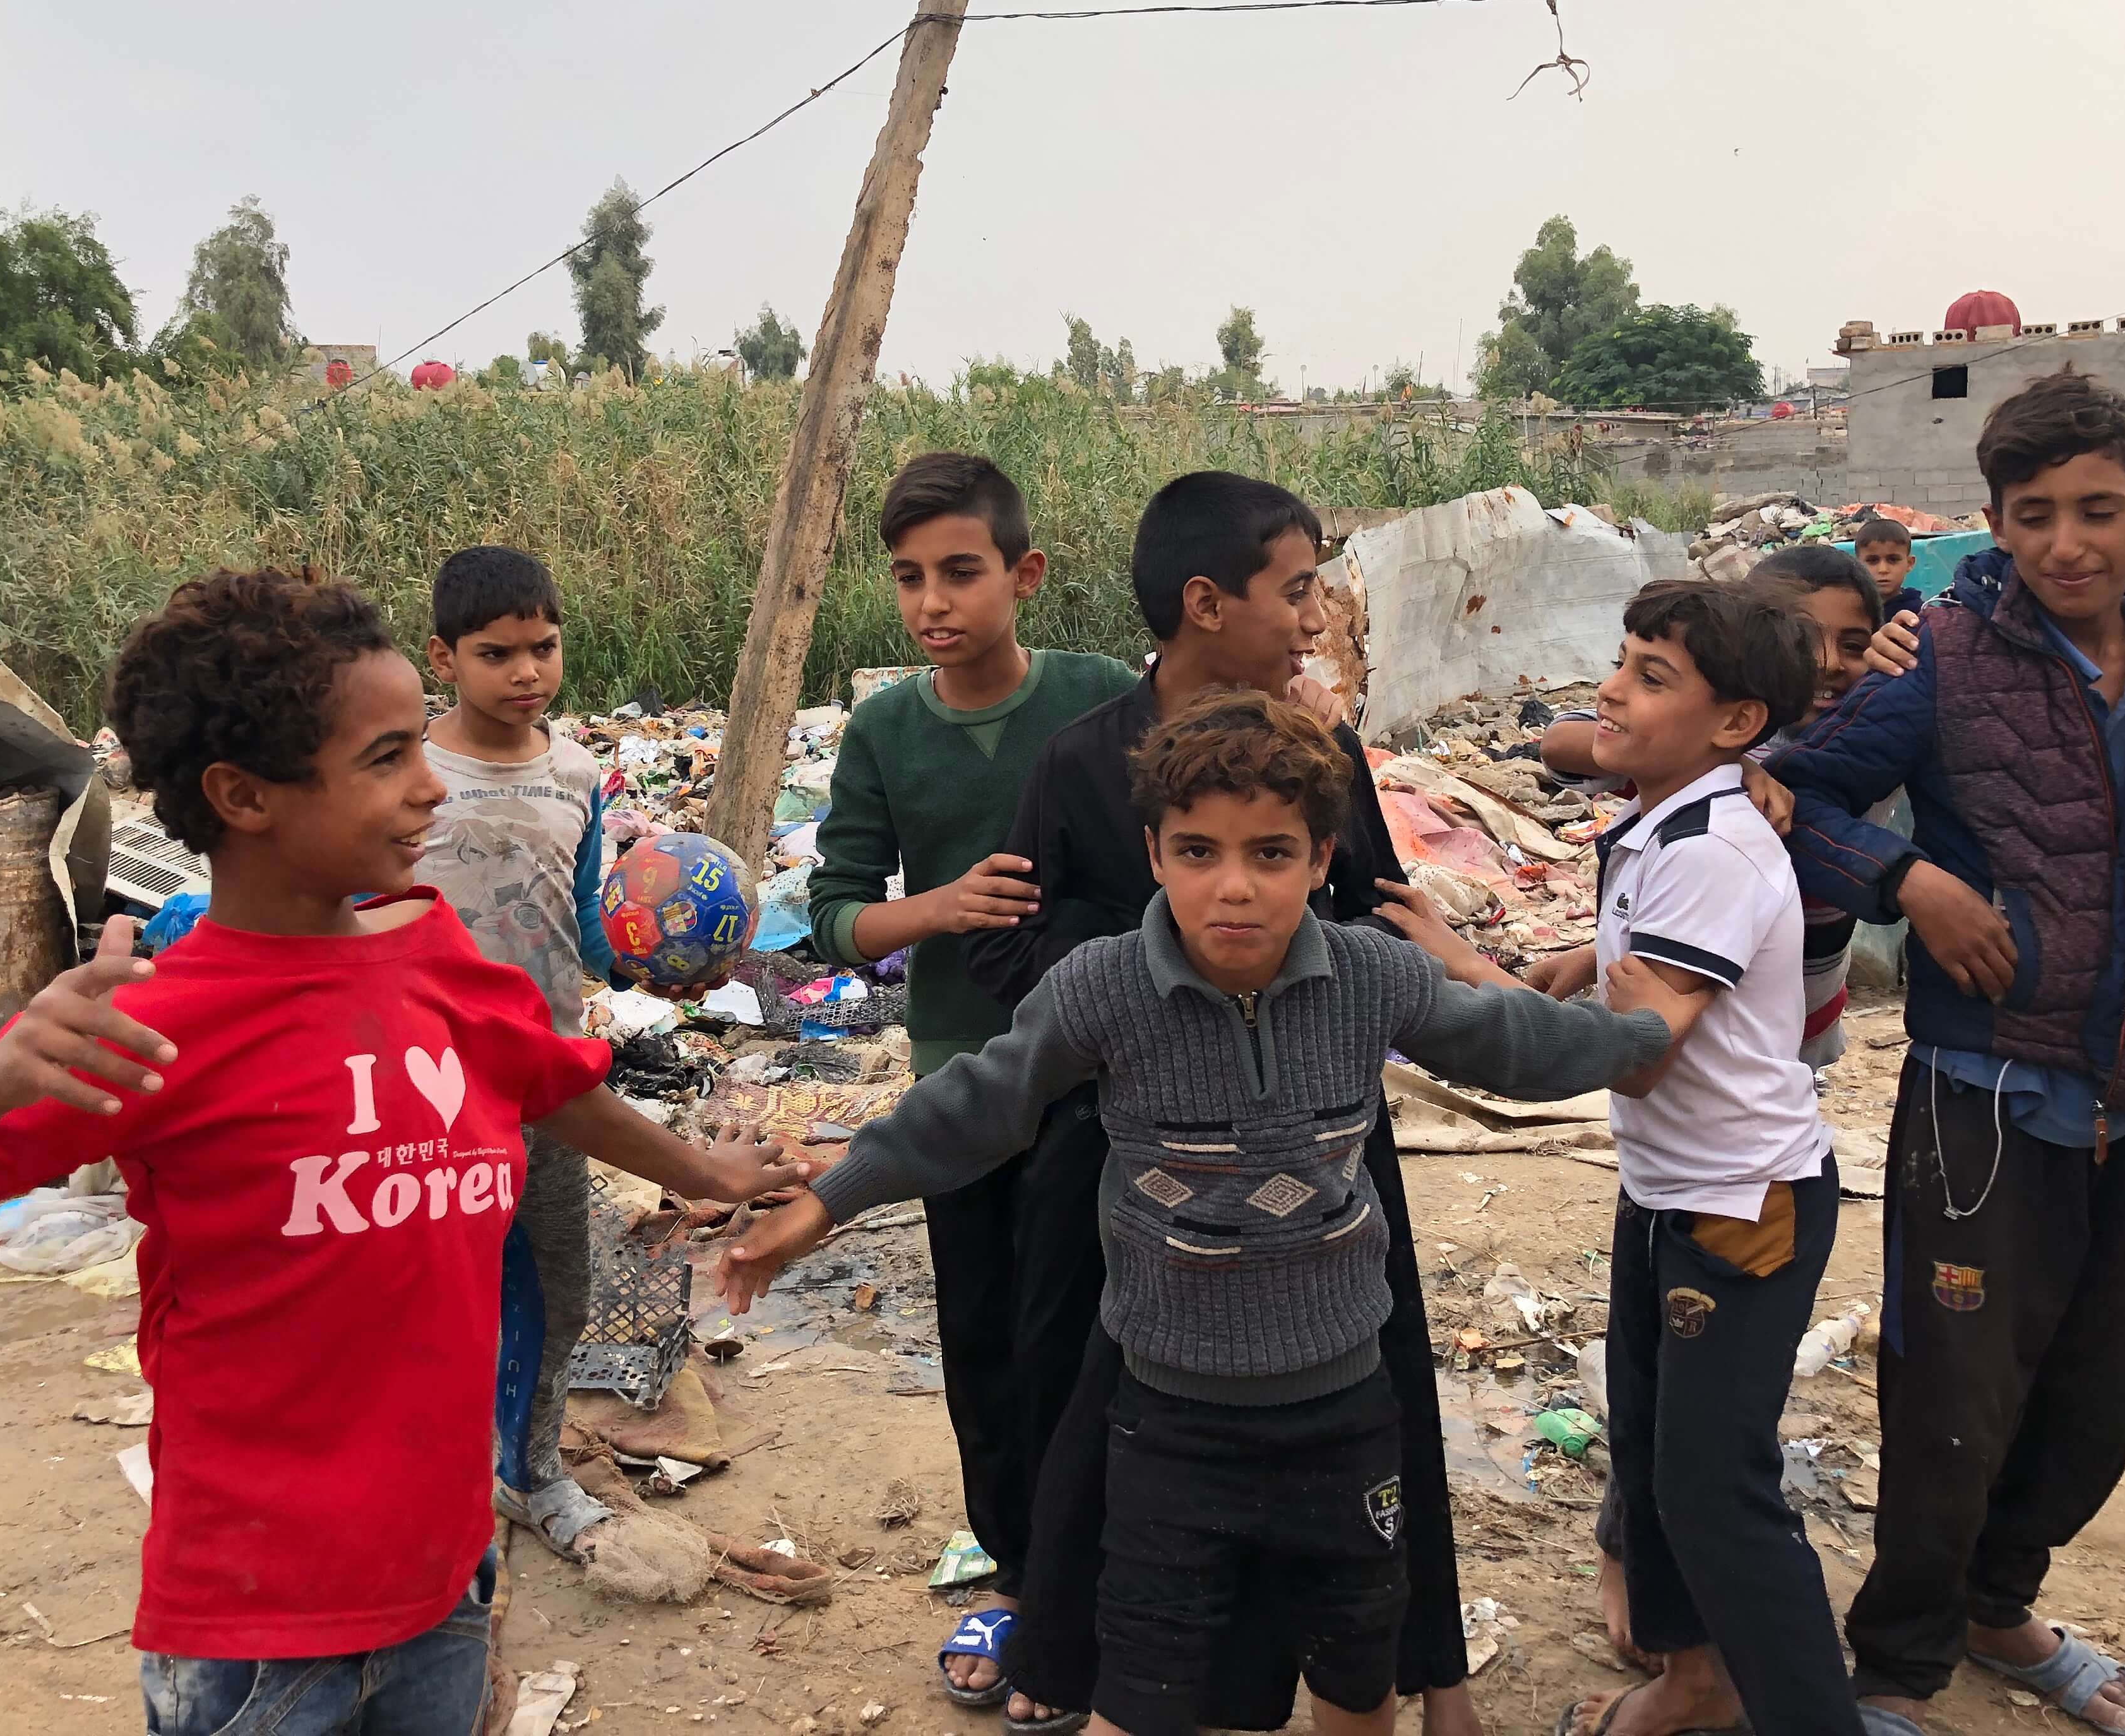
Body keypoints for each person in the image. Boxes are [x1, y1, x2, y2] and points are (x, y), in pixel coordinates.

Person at [0, 569, 804, 1736]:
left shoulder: (436, 957)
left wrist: (708, 1173)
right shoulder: (152, 1029)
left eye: (418, 746)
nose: (430, 784)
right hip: (255, 1635)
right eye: (386, 757)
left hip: (445, 1591)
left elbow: (553, 1084)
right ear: (242, 795)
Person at [722, 689, 1688, 1736]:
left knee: (1356, 1683)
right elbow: (974, 1106)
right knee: (1141, 1691)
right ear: (1154, 853)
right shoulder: (1103, 990)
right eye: (1198, 851)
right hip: (1167, 1421)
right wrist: (825, 1200)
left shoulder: (1371, 976)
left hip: (1345, 1413)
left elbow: (1511, 1043)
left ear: (1321, 858)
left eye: (1270, 853)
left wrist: (1640, 1038)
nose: (1234, 886)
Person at [1770, 366, 2125, 1735]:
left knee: (2094, 1401)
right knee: (1952, 1404)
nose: (2066, 543)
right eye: (2033, 514)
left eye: (2096, 510)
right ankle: (1898, 1663)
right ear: (1992, 522)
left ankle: (2001, 1606)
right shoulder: (1941, 661)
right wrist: (1908, 880)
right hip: (1980, 1100)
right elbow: (1789, 794)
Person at [963, 470, 1499, 1736]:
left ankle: (1431, 1674)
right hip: (1129, 1166)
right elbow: (1008, 947)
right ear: (1207, 604)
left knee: (1375, 1399)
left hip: (1316, 1147)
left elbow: (1375, 913)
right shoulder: (1082, 760)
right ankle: (1082, 1663)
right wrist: (1153, 975)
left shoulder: (1323, 753)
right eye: (1296, 590)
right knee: (1105, 1415)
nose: (1315, 618)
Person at [805, 451, 1138, 1704]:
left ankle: (1113, 1578)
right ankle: (1019, 1578)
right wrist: (936, 908)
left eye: (959, 572)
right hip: (962, 1086)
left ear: (1024, 573)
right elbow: (833, 916)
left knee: (1101, 1334)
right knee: (987, 1339)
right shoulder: (887, 731)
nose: (932, 603)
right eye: (908, 578)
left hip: (1107, 1075)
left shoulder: (1100, 696)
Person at [1532, 545, 1880, 1674]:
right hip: (1667, 1190)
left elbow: (1637, 1062)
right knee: (1648, 1451)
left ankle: (1800, 1707)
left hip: (1741, 1204)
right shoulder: (1660, 822)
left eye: (1649, 676)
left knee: (1712, 1484)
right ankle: (1690, 1676)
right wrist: (1580, 961)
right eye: (1619, 663)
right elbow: (1635, 990)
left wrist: (1455, 967)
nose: (1610, 692)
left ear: (1735, 722)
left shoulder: (1712, 848)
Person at [414, 544, 628, 1566]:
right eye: (496, 653)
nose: (526, 671)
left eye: (543, 646)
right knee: (435, 1299)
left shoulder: (577, 774)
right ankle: (431, 1485)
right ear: (443, 658)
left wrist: (646, 954)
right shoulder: (406, 772)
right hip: (425, 1089)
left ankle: (532, 1471)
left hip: (548, 1078)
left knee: (556, 1283)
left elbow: (581, 923)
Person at [1854, 516, 1926, 622]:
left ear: (1909, 563)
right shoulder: (1849, 612)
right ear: (1857, 565)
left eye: (1893, 560)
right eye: (1873, 561)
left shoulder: (1920, 615)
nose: (1883, 570)